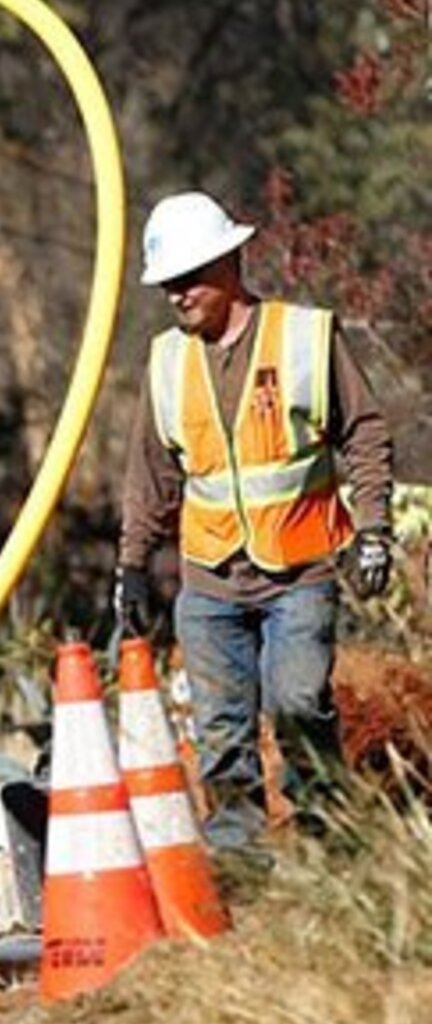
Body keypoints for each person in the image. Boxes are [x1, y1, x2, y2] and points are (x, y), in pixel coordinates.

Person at [113, 191, 393, 855]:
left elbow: (365, 430)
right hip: (208, 580)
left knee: (298, 703)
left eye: (187, 278)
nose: (177, 295)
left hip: (301, 568)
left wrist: (374, 528)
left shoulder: (304, 338)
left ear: (229, 262)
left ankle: (329, 848)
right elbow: (149, 472)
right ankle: (241, 867)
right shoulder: (166, 362)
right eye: (167, 285)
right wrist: (130, 566)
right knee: (220, 733)